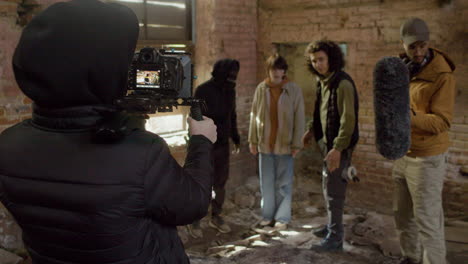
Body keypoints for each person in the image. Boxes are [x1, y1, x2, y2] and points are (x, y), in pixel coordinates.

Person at [0, 1, 216, 263]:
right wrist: (201, 141)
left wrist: (123, 117)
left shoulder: (7, 146)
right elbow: (192, 204)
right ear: (99, 70)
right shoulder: (141, 155)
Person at [392, 17, 455, 264]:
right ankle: (411, 257)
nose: (418, 52)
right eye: (412, 47)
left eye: (422, 45)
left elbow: (442, 122)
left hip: (427, 157)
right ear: (403, 45)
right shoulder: (400, 68)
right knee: (402, 214)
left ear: (428, 43)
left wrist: (409, 117)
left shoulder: (442, 75)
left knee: (427, 220)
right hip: (403, 153)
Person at [302, 40, 359, 251]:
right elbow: (320, 110)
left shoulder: (343, 84)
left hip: (339, 146)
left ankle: (335, 238)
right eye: (314, 61)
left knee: (335, 191)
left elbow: (348, 121)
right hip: (327, 144)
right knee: (328, 188)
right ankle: (331, 226)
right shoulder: (323, 81)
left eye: (322, 60)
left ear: (331, 58)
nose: (318, 64)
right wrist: (311, 129)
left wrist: (338, 149)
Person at [248, 54, 305, 231]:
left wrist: (297, 144)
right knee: (267, 184)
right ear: (269, 70)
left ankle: (282, 218)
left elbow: (299, 118)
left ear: (284, 71)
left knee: (284, 184)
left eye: (279, 69)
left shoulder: (293, 90)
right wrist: (253, 140)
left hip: (285, 145)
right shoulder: (261, 88)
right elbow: (254, 115)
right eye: (273, 69)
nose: (276, 72)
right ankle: (267, 217)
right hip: (265, 144)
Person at [191, 59, 241, 236]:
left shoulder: (230, 90)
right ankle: (195, 220)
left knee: (220, 183)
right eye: (230, 74)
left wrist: (235, 137)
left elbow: (231, 115)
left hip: (222, 145)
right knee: (201, 182)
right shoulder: (203, 91)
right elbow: (195, 119)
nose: (233, 78)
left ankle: (216, 216)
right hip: (205, 145)